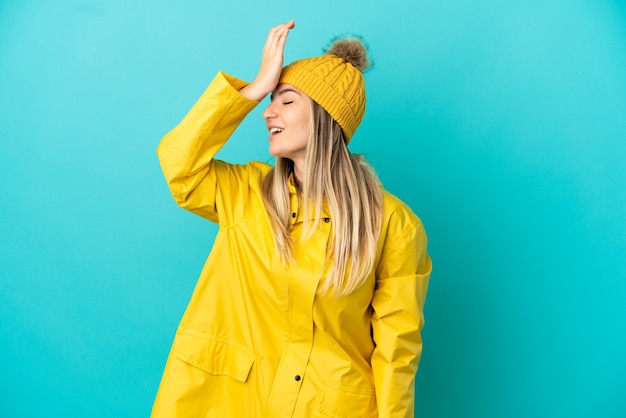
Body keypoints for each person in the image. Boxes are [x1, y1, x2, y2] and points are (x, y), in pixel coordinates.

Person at [152, 20, 431, 418]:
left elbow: (397, 352)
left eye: (285, 100)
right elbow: (179, 165)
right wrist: (252, 90)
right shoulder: (245, 193)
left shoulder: (395, 226)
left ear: (325, 116)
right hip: (227, 401)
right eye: (270, 100)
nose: (268, 113)